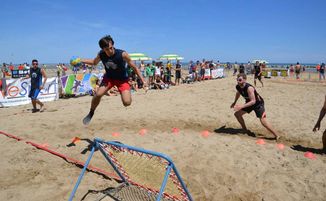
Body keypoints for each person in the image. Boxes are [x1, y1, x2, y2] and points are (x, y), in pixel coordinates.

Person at [81, 35, 147, 125]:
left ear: (112, 45)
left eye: (111, 48)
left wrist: (143, 81)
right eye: (107, 49)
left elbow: (135, 67)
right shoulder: (101, 54)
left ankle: (123, 93)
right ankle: (91, 112)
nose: (110, 50)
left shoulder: (122, 54)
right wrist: (81, 60)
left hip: (122, 80)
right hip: (109, 78)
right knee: (98, 94)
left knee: (127, 103)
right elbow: (94, 62)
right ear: (103, 49)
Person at [230, 73, 279, 140]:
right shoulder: (238, 86)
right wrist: (234, 102)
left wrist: (241, 106)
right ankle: (245, 130)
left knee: (263, 121)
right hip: (249, 103)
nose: (238, 81)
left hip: (258, 104)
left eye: (240, 80)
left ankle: (276, 135)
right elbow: (238, 93)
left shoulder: (249, 88)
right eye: (237, 79)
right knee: (237, 114)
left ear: (244, 80)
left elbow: (253, 101)